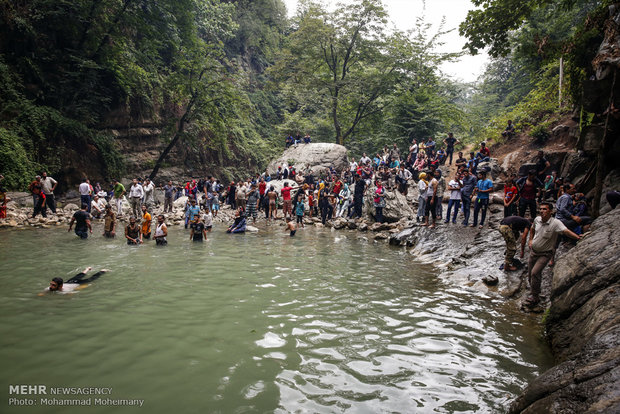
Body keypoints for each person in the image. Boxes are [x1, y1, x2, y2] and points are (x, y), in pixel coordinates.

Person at [524, 202, 582, 309]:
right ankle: (535, 291)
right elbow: (532, 229)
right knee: (530, 275)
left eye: (544, 209)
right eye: (540, 209)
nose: (542, 211)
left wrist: (577, 237)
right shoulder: (537, 220)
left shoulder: (556, 223)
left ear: (550, 211)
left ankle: (535, 296)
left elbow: (566, 231)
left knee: (535, 272)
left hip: (545, 254)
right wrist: (530, 240)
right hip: (534, 252)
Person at [43, 267, 108, 294]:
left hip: (77, 284)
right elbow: (43, 293)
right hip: (69, 282)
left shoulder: (66, 290)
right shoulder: (49, 288)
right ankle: (87, 269)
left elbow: (78, 289)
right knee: (79, 275)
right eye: (51, 284)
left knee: (92, 278)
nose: (51, 286)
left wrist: (88, 285)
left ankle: (102, 271)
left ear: (60, 286)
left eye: (53, 285)